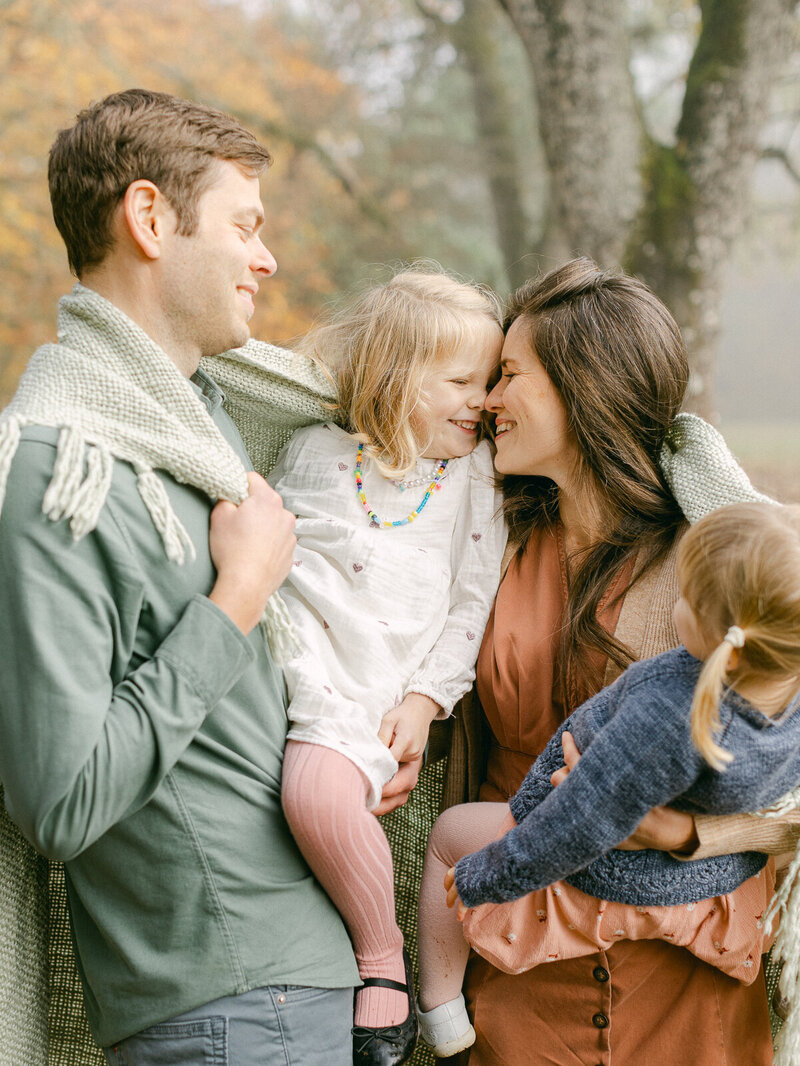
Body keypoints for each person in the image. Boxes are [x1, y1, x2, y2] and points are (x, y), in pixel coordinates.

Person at [0, 88, 360, 1066]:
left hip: (290, 985)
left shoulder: (209, 433)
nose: (267, 257)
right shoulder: (61, 473)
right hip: (224, 1006)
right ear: (150, 219)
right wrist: (236, 598)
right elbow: (61, 800)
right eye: (245, 225)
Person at [415, 257, 797, 1066]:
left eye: (510, 374)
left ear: (582, 388)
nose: (487, 401)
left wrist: (690, 831)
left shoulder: (716, 566)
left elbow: (787, 769)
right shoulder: (488, 540)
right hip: (517, 948)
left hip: (683, 961)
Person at [415, 500, 800, 1056]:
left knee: (451, 836)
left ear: (719, 634)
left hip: (612, 862)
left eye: (686, 597)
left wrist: (488, 876)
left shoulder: (670, 715)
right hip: (712, 878)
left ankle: (439, 1006)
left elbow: (580, 823)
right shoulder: (781, 704)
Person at [268, 269, 507, 1066]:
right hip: (282, 666)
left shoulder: (473, 482)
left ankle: (383, 959)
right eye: (462, 381)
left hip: (362, 699)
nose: (483, 400)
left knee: (314, 790)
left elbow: (470, 605)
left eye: (490, 381)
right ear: (396, 376)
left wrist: (424, 701)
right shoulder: (311, 450)